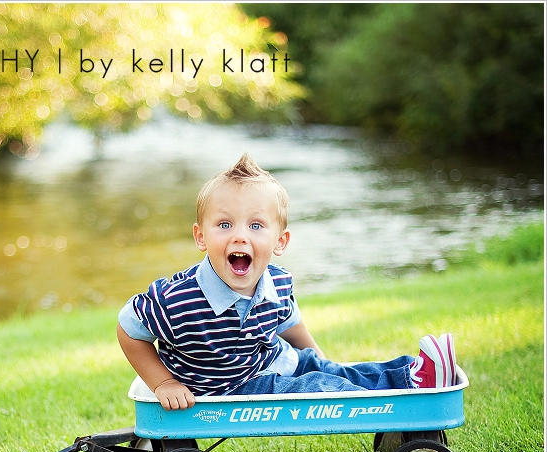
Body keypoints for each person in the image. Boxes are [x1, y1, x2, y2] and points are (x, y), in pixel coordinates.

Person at [117, 153, 457, 411]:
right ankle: (412, 383)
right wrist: (163, 382)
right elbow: (128, 328)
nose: (239, 237)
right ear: (200, 236)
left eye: (255, 226)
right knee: (317, 386)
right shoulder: (178, 298)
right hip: (230, 388)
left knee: (338, 374)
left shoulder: (278, 281)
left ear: (280, 241)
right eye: (224, 225)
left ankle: (413, 373)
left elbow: (289, 321)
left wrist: (318, 356)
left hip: (275, 363)